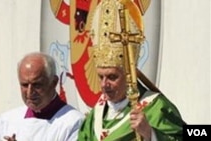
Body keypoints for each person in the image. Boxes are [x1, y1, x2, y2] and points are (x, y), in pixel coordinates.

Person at [77, 0, 186, 140]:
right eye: (100, 77)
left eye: (112, 77)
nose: (104, 84)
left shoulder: (156, 108)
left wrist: (150, 134)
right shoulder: (95, 116)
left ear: (129, 74)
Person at [0, 52, 85, 141]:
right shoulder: (5, 122)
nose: (29, 92)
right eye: (24, 85)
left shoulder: (74, 123)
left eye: (37, 85)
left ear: (53, 82)